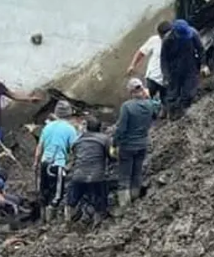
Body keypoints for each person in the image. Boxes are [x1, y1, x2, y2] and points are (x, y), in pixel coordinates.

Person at [113, 78, 161, 213]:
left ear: (130, 91)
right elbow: (157, 112)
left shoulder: (127, 107)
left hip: (128, 146)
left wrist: (114, 143)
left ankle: (124, 205)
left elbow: (121, 129)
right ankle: (135, 199)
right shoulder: (150, 105)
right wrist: (149, 97)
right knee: (137, 172)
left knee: (124, 175)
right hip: (142, 144)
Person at [34, 100, 79, 223]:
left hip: (44, 163)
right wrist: (70, 164)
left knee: (44, 190)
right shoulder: (70, 129)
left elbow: (40, 147)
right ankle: (50, 221)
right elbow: (75, 149)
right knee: (57, 194)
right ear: (69, 114)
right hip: (57, 165)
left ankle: (43, 218)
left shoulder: (47, 127)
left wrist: (36, 162)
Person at [66, 116, 112, 225]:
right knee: (100, 201)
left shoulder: (78, 141)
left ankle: (68, 219)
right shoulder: (105, 139)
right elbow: (111, 156)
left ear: (86, 128)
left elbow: (73, 156)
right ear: (100, 128)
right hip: (97, 176)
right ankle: (98, 220)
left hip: (78, 175)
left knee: (72, 199)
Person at [160, 20, 206, 119]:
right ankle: (172, 113)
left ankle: (184, 110)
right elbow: (164, 60)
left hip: (190, 65)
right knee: (173, 93)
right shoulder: (167, 40)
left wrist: (203, 64)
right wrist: (166, 75)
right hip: (174, 69)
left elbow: (200, 49)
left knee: (189, 91)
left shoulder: (193, 34)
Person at [127, 21, 173, 104]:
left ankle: (164, 113)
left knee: (166, 101)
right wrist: (132, 65)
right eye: (161, 36)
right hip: (152, 77)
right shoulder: (154, 40)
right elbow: (141, 52)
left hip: (167, 79)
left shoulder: (176, 41)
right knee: (145, 100)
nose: (162, 38)